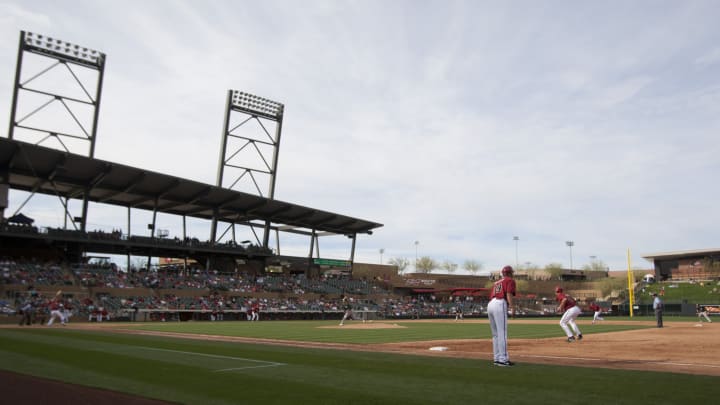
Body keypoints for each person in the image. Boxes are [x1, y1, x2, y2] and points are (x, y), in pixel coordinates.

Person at [488, 265, 516, 366]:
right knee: (502, 333)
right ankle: (503, 360)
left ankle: (497, 358)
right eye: (511, 272)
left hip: (491, 304)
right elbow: (508, 293)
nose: (512, 274)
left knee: (495, 334)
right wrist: (512, 307)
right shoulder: (510, 280)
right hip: (500, 303)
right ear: (509, 273)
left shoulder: (497, 282)